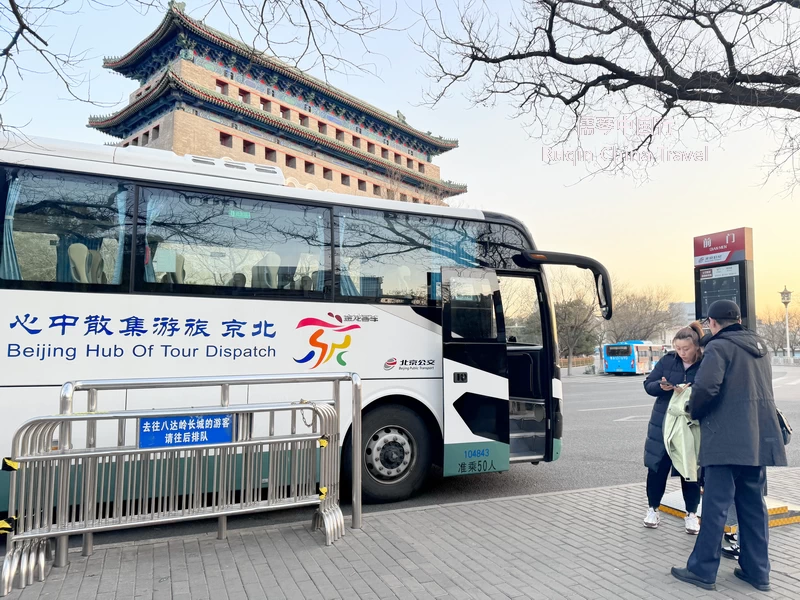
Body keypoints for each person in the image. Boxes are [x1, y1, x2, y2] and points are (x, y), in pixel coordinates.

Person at [671, 300, 787, 592]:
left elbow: (707, 388)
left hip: (724, 439)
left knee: (715, 506)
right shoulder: (760, 346)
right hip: (756, 438)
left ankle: (702, 570)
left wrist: (692, 410)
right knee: (753, 506)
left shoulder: (719, 348)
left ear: (712, 322)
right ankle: (757, 571)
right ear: (738, 319)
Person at [642, 324, 704, 534]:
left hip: (690, 424)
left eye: (686, 349)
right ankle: (652, 509)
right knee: (657, 468)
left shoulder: (705, 362)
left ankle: (692, 514)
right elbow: (648, 384)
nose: (682, 353)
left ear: (696, 346)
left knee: (690, 469)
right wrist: (661, 386)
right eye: (678, 348)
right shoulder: (668, 361)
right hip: (664, 422)